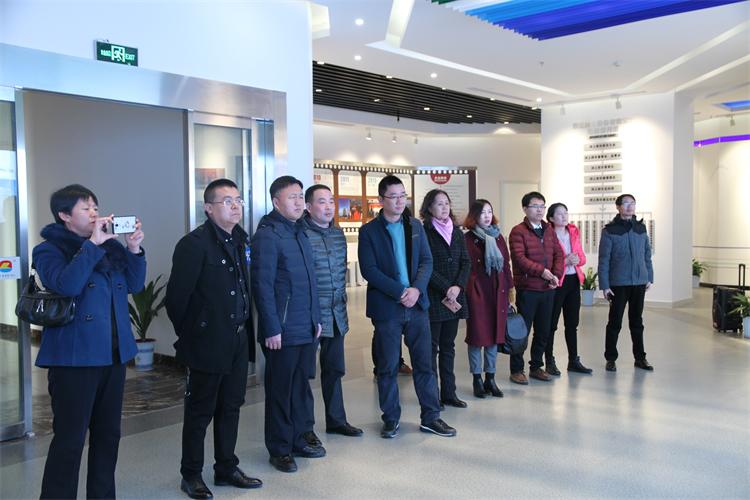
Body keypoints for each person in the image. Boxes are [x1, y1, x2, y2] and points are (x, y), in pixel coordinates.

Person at [34, 184, 146, 499]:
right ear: (64, 215)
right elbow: (67, 285)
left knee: (108, 436)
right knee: (70, 440)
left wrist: (133, 249)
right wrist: (92, 245)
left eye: (95, 206)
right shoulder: (49, 250)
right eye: (86, 208)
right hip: (74, 358)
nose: (94, 213)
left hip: (113, 354)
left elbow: (135, 285)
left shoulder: (110, 247)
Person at [166, 178, 262, 499]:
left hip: (238, 338)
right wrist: (197, 333)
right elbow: (176, 300)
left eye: (238, 200)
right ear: (208, 208)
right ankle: (191, 474)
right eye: (226, 201)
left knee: (231, 406)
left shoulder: (240, 239)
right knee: (200, 411)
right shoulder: (193, 245)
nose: (235, 206)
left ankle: (226, 467)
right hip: (207, 342)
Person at [358, 175, 456, 439]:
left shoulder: (414, 226)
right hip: (387, 308)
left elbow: (426, 261)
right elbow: (369, 270)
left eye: (403, 196)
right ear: (381, 200)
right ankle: (391, 419)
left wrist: (416, 289)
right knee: (388, 367)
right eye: (394, 196)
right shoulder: (369, 231)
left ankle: (431, 417)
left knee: (424, 364)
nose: (400, 201)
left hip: (417, 306)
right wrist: (400, 292)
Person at [251, 175, 323, 473]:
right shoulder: (268, 235)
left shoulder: (299, 232)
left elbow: (310, 282)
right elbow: (262, 285)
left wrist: (316, 318)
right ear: (276, 202)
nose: (298, 202)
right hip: (281, 330)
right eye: (292, 197)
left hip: (305, 326)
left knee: (301, 387)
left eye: (300, 196)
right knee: (280, 391)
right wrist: (271, 327)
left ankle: (301, 438)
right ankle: (280, 449)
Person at [301, 184, 363, 437]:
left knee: (334, 369)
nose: (328, 207)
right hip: (310, 316)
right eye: (321, 202)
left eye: (331, 202)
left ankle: (336, 420)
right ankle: (305, 429)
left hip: (337, 314)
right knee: (304, 374)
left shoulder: (337, 234)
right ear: (308, 207)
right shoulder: (300, 234)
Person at [419, 189, 471, 408]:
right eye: (439, 204)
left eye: (446, 203)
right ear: (429, 208)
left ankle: (449, 393)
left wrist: (458, 286)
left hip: (454, 298)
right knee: (432, 350)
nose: (444, 207)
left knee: (449, 348)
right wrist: (446, 287)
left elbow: (466, 262)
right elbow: (424, 265)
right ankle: (433, 397)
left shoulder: (457, 232)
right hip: (434, 297)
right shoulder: (424, 232)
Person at [508, 191, 564, 384]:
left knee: (543, 330)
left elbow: (559, 254)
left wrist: (556, 275)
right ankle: (516, 369)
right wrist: (542, 272)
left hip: (548, 288)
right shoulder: (518, 231)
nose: (540, 210)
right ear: (525, 209)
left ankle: (536, 366)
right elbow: (519, 258)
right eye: (535, 206)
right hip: (528, 288)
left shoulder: (548, 230)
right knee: (522, 331)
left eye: (542, 206)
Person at [598, 194, 654, 372]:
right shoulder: (609, 230)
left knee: (637, 322)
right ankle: (610, 358)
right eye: (626, 203)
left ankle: (640, 358)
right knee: (615, 322)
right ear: (618, 207)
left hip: (639, 282)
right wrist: (605, 285)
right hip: (618, 284)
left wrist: (649, 277)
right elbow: (604, 259)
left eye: (632, 203)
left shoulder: (641, 228)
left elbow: (647, 254)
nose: (630, 207)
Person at [463, 199, 514, 398]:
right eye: (482, 212)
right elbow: (464, 268)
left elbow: (506, 264)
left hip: (498, 292)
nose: (487, 216)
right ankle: (477, 378)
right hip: (478, 293)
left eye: (489, 212)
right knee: (477, 337)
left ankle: (490, 378)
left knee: (494, 336)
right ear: (474, 215)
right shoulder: (467, 239)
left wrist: (510, 290)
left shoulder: (498, 237)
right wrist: (470, 288)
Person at [545, 203, 593, 375]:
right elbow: (546, 262)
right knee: (551, 324)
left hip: (573, 281)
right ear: (551, 218)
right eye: (559, 214)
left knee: (572, 324)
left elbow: (582, 258)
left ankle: (573, 360)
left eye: (566, 213)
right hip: (557, 282)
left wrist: (577, 260)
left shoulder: (573, 232)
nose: (564, 216)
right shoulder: (548, 235)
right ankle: (549, 361)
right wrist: (565, 262)